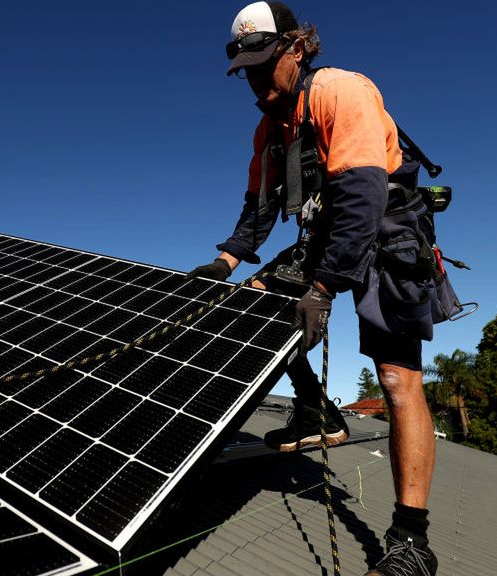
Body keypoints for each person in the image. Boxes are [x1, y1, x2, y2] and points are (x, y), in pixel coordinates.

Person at [186, 3, 440, 574]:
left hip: (386, 227)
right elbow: (260, 207)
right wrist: (225, 261)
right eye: (244, 68)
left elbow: (363, 200)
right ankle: (316, 413)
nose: (254, 77)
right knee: (255, 304)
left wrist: (323, 287)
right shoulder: (269, 128)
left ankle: (412, 541)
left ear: (296, 49)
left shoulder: (339, 91)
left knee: (398, 379)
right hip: (328, 231)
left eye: (263, 61)